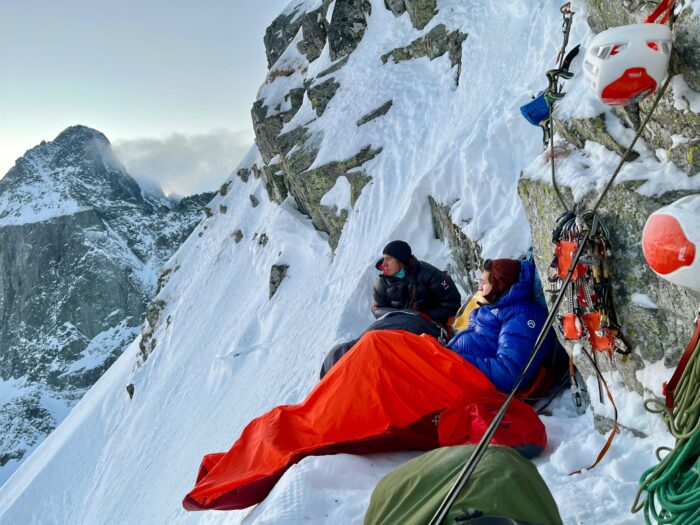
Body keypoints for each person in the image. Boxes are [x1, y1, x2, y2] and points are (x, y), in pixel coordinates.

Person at [320, 240, 461, 378]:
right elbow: (378, 310)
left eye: (388, 259)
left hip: (425, 325)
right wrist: (399, 315)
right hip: (394, 324)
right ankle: (338, 368)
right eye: (383, 259)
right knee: (366, 340)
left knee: (380, 351)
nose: (383, 264)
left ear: (401, 261)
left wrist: (424, 316)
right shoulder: (381, 283)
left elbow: (452, 302)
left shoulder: (429, 275)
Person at [447, 258, 555, 393]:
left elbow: (509, 374)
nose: (479, 288)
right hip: (452, 368)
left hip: (464, 380)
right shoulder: (494, 306)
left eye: (484, 283)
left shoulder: (523, 315)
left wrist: (457, 363)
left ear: (499, 285)